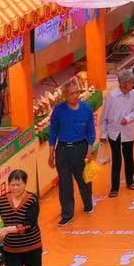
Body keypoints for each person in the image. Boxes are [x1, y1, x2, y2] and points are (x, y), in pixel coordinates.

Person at [48, 76, 96, 225]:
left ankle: (88, 203)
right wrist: (51, 153)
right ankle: (67, 214)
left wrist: (89, 152)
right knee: (65, 183)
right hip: (63, 150)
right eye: (72, 93)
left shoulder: (86, 109)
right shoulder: (58, 111)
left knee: (84, 179)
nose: (75, 96)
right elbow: (53, 133)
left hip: (81, 148)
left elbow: (91, 132)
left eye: (77, 92)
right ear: (65, 95)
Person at [101, 69, 134, 197]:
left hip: (127, 130)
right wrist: (103, 134)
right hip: (114, 132)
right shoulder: (112, 96)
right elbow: (104, 116)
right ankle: (114, 187)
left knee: (129, 157)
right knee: (116, 159)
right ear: (124, 84)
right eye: (131, 82)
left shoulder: (133, 94)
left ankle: (130, 181)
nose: (133, 84)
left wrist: (127, 119)